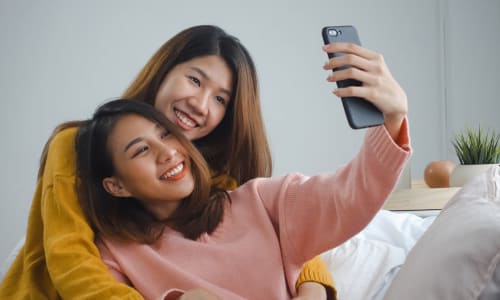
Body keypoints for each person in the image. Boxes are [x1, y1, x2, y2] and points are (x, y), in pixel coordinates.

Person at [0, 25, 336, 299]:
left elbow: (282, 226)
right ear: (164, 70)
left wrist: (312, 288)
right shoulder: (76, 145)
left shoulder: (207, 178)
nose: (201, 104)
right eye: (194, 80)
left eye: (220, 99)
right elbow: (69, 258)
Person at [74, 98, 410, 299]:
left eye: (166, 135)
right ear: (116, 186)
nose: (167, 152)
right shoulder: (114, 255)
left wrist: (391, 120)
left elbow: (346, 196)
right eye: (142, 150)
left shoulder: (259, 201)